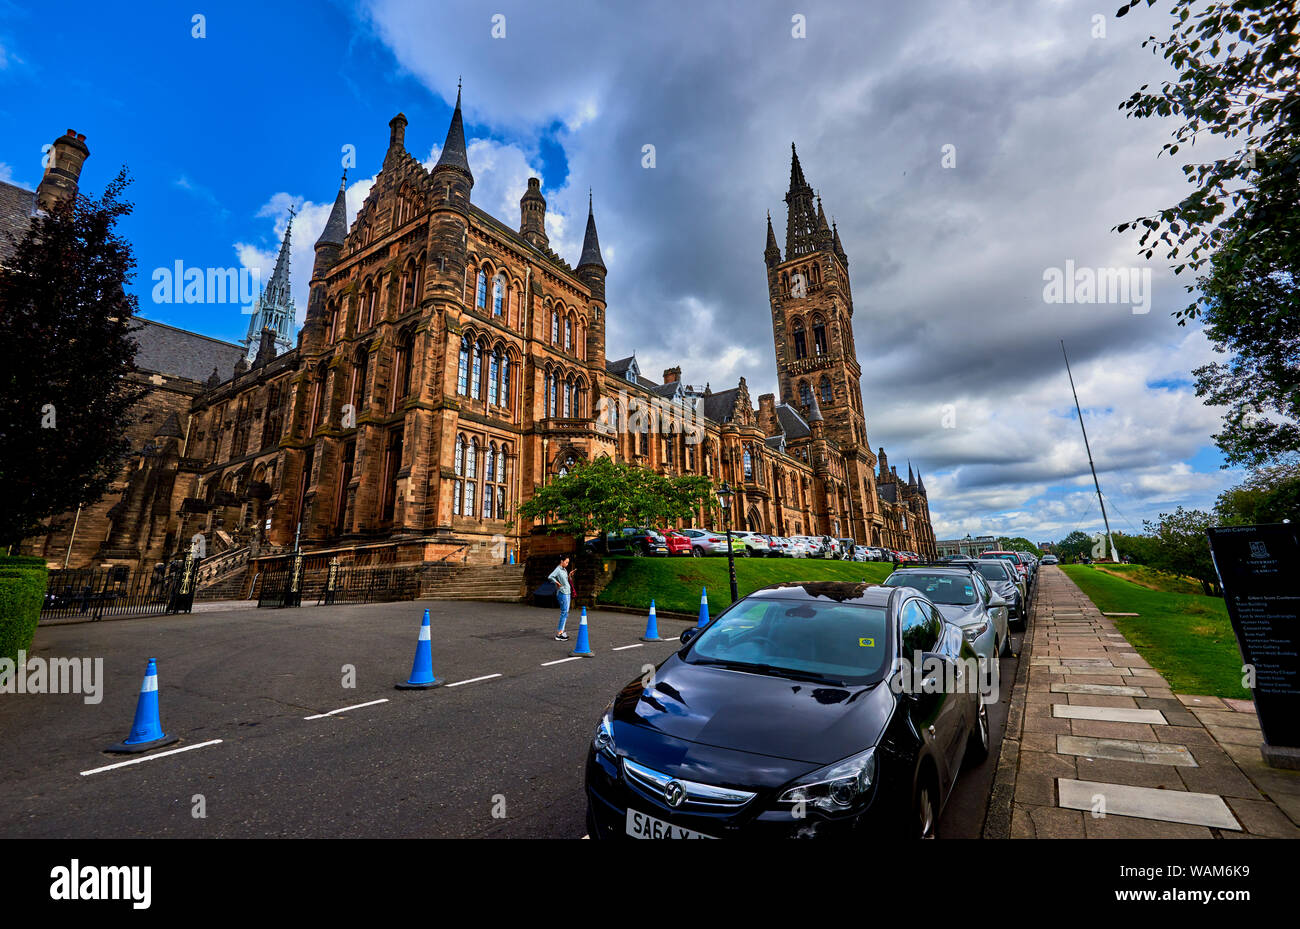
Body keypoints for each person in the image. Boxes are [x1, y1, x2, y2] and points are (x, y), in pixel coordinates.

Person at [548, 556, 575, 641]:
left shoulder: (564, 570)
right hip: (562, 593)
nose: (567, 564)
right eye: (566, 562)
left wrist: (569, 575)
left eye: (568, 562)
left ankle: (561, 632)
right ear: (561, 561)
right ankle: (559, 634)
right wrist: (556, 582)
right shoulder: (558, 569)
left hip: (567, 592)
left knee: (565, 613)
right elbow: (550, 577)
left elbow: (566, 581)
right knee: (564, 612)